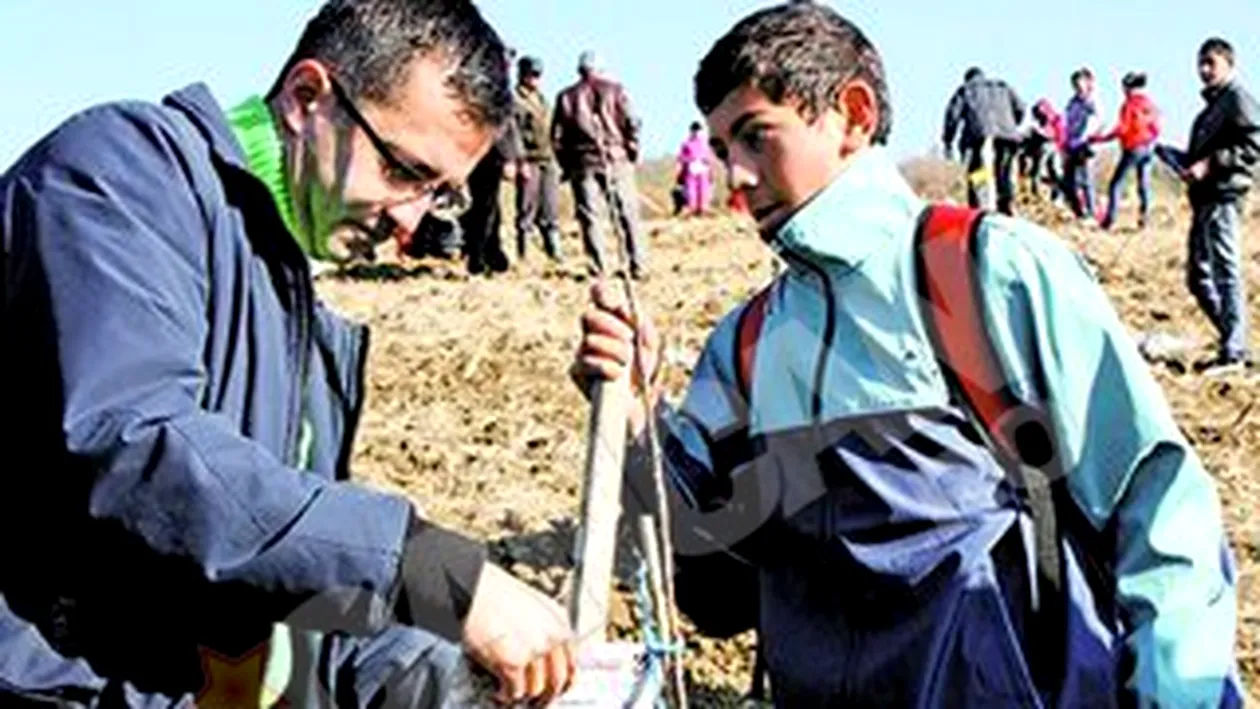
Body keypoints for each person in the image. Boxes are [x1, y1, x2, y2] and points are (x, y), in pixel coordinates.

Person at [572, 3, 1242, 706]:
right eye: (719, 150)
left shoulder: (986, 272)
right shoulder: (748, 344)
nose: (735, 176)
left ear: (854, 115)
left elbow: (1155, 501)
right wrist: (638, 417)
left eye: (756, 136)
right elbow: (713, 582)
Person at [0, 1, 576, 707]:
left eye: (438, 194)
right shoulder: (120, 173)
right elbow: (139, 447)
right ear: (308, 98)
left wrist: (438, 675)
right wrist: (431, 569)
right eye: (402, 169)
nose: (411, 222)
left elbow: (278, 570)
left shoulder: (292, 299)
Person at [1155, 37, 1259, 374]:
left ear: (1229, 64)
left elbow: (1253, 145)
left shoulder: (1236, 99)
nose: (1204, 70)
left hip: (1225, 195)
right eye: (1200, 63)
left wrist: (1210, 164)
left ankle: (1235, 352)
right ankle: (1234, 339)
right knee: (1197, 277)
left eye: (1211, 63)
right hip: (1204, 198)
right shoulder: (1209, 110)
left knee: (1225, 271)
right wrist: (1180, 159)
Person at [552, 50, 649, 279]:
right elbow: (632, 122)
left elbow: (557, 138)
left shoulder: (566, 97)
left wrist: (567, 166)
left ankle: (598, 268)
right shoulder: (616, 90)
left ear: (580, 70)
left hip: (582, 163)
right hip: (617, 159)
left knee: (590, 218)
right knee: (627, 214)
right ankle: (637, 265)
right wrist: (632, 150)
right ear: (601, 69)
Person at [942, 66, 1026, 215]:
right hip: (1008, 138)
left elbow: (952, 117)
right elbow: (1020, 108)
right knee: (1003, 173)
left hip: (980, 138)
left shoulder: (965, 90)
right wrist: (1012, 125)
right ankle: (1006, 205)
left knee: (980, 173)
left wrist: (948, 141)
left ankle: (981, 209)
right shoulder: (1002, 87)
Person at [1091, 72, 1161, 230]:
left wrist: (1101, 138)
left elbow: (1122, 129)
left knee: (1116, 184)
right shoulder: (1149, 104)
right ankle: (1145, 221)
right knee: (1144, 184)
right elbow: (1156, 127)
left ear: (1127, 87)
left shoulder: (1129, 105)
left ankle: (1109, 221)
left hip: (1133, 147)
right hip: (1149, 147)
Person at [512, 55, 563, 262]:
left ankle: (554, 251)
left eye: (538, 75)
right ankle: (524, 253)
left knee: (550, 206)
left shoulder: (543, 99)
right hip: (528, 159)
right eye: (532, 74)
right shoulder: (514, 99)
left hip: (548, 158)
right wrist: (520, 161)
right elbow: (513, 133)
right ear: (522, 74)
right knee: (526, 207)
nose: (535, 79)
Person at [1063, 67, 1102, 222]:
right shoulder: (1072, 102)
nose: (1077, 87)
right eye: (1075, 84)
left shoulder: (1092, 101)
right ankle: (1079, 212)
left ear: (1087, 83)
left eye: (1080, 83)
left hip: (1085, 145)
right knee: (1068, 182)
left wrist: (1083, 137)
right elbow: (1067, 123)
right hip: (1071, 145)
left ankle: (1091, 214)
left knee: (1086, 180)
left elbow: (1097, 120)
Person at [1019, 98, 1067, 202]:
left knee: (1042, 171)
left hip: (1050, 146)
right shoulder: (1051, 119)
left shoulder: (1053, 119)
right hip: (1052, 147)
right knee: (1053, 172)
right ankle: (1053, 195)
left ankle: (1039, 193)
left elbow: (1055, 134)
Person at [676, 121, 718, 217]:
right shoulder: (698, 142)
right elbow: (681, 158)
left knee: (697, 188)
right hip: (697, 166)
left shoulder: (689, 142)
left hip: (698, 166)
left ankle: (697, 208)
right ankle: (698, 208)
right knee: (698, 188)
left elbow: (681, 158)